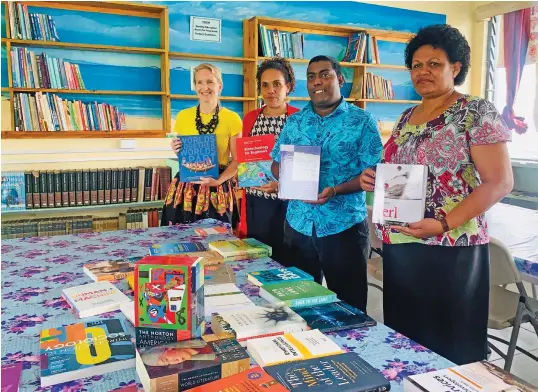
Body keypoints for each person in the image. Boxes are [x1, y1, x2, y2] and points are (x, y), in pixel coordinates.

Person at [359, 24, 513, 364]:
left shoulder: (476, 112)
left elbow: (500, 182)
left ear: (455, 68)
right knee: (406, 339)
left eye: (434, 63)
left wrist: (443, 224)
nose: (423, 72)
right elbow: (397, 170)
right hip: (402, 244)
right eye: (416, 65)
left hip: (451, 247)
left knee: (449, 342)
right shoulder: (405, 117)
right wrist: (374, 177)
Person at [270, 55, 383, 312]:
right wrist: (286, 177)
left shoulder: (362, 121)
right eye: (311, 77)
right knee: (298, 305)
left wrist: (336, 190)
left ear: (340, 79)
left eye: (325, 74)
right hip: (298, 225)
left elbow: (373, 173)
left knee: (349, 307)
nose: (317, 81)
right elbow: (276, 162)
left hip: (343, 228)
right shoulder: (295, 121)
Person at [163, 63, 242, 227]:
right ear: (195, 86)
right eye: (199, 82)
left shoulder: (232, 118)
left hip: (217, 186)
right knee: (182, 238)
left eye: (210, 82)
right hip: (186, 187)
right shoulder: (184, 116)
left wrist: (219, 180)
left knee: (217, 241)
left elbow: (237, 161)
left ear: (219, 86)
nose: (204, 87)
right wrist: (177, 149)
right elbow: (185, 155)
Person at [238, 57, 299, 263]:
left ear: (288, 86)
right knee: (259, 259)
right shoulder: (250, 118)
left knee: (288, 258)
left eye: (277, 84)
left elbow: (304, 165)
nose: (270, 90)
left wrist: (282, 185)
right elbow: (243, 159)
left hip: (289, 202)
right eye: (265, 85)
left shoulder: (299, 119)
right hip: (257, 201)